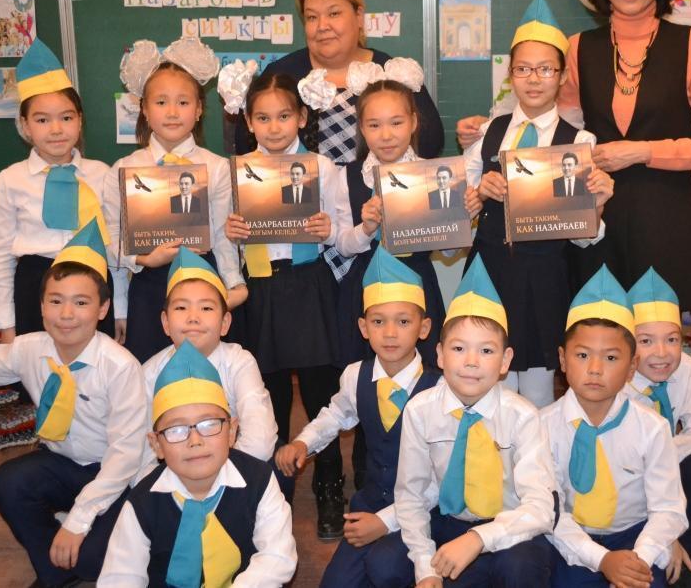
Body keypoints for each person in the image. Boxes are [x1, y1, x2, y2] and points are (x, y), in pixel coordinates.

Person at [457, 0, 691, 311]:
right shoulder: (579, 48)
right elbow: (549, 125)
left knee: (656, 331)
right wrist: (487, 130)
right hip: (591, 215)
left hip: (662, 214)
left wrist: (640, 151)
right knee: (594, 330)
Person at [0, 222, 147, 587]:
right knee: (9, 483)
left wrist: (77, 521)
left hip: (118, 475)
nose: (66, 314)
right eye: (56, 301)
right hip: (64, 463)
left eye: (81, 302)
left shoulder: (120, 367)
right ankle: (55, 574)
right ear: (41, 305)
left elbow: (125, 457)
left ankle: (81, 550)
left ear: (103, 309)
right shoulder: (30, 348)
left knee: (90, 560)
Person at [464, 0, 614, 408]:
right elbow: (459, 209)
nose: (534, 79)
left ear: (563, 76)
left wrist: (597, 205)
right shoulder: (489, 133)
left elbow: (583, 238)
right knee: (489, 382)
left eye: (546, 69)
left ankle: (535, 452)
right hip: (490, 271)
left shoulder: (580, 142)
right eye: (524, 69)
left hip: (545, 278)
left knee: (536, 389)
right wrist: (478, 194)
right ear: (510, 75)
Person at [222, 69, 353, 540]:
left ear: (301, 117)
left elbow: (344, 230)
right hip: (258, 290)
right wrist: (230, 233)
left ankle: (329, 485)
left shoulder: (323, 168)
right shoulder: (236, 172)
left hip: (309, 285)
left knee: (321, 394)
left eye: (283, 116)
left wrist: (328, 231)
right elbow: (221, 237)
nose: (274, 126)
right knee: (267, 396)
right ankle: (272, 489)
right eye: (262, 118)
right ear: (248, 122)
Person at [275, 246, 441, 587]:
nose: (390, 333)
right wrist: (303, 442)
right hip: (371, 500)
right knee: (335, 583)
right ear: (364, 327)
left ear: (424, 327)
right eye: (378, 322)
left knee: (385, 567)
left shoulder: (439, 391)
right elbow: (334, 415)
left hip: (423, 509)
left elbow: (442, 479)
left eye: (403, 321)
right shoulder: (355, 375)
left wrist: (385, 522)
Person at [391, 256, 557, 588]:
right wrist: (425, 568)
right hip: (451, 521)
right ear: (439, 354)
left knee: (521, 569)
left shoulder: (524, 416)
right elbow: (411, 495)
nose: (470, 362)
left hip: (511, 529)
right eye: (458, 348)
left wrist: (479, 538)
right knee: (387, 567)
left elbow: (541, 507)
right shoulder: (419, 410)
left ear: (505, 361)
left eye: (486, 351)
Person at [98, 341, 297, 587]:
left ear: (232, 431)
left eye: (209, 424)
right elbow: (120, 577)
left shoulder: (259, 480)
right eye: (176, 429)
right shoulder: (142, 502)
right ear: (156, 444)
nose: (195, 440)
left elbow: (277, 557)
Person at [103, 36, 248, 363]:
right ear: (143, 108)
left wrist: (233, 285)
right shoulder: (124, 169)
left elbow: (224, 236)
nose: (172, 112)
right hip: (149, 286)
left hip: (204, 280)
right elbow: (112, 239)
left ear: (199, 109)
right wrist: (143, 263)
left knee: (208, 375)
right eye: (161, 102)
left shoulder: (217, 168)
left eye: (183, 102)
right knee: (150, 375)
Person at [544, 265, 687, 587]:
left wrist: (640, 557)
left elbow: (668, 509)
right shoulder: (542, 427)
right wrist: (602, 559)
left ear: (632, 366)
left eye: (611, 358)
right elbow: (550, 512)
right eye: (582, 355)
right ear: (563, 359)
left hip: (635, 538)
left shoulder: (652, 428)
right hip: (571, 539)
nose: (595, 369)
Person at [224, 0, 443, 164]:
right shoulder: (281, 75)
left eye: (334, 13)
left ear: (359, 17)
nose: (322, 26)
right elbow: (246, 145)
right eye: (312, 17)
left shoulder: (391, 73)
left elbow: (430, 142)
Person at [335, 62, 472, 372]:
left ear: (413, 122)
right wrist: (366, 228)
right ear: (361, 128)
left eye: (396, 123)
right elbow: (342, 245)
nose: (386, 135)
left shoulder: (435, 175)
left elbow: (449, 251)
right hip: (365, 287)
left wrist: (463, 217)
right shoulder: (348, 177)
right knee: (364, 375)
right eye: (374, 125)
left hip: (418, 282)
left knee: (424, 375)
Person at [0, 37, 114, 344]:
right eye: (42, 120)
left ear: (80, 121)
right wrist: (6, 324)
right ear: (25, 126)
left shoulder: (103, 174)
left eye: (66, 118)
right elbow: (0, 258)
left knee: (96, 367)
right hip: (35, 285)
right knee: (38, 368)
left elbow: (114, 250)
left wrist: (120, 310)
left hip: (93, 284)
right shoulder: (11, 180)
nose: (56, 129)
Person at [622, 267, 691, 585]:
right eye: (646, 341)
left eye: (672, 340)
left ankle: (684, 559)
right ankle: (651, 554)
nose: (662, 353)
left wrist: (664, 452)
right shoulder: (617, 380)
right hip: (627, 482)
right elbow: (625, 464)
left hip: (661, 465)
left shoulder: (686, 369)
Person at [142, 247, 278, 464]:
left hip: (235, 464)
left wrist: (215, 476)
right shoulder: (149, 373)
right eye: (181, 308)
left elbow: (259, 440)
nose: (193, 318)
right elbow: (142, 448)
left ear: (225, 323)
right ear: (165, 323)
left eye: (206, 308)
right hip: (174, 471)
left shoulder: (239, 362)